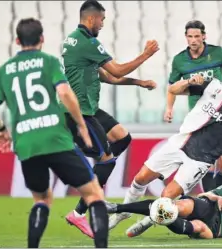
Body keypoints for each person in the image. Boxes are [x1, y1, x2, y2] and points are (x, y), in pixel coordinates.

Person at [0, 18, 109, 248]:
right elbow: (65, 93)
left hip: (26, 144)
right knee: (93, 195)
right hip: (56, 138)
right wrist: (81, 125)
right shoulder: (49, 62)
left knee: (41, 200)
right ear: (42, 39)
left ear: (17, 41)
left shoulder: (4, 70)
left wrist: (2, 130)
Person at [109, 53, 222, 234]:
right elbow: (173, 90)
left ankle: (148, 221)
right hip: (180, 142)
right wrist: (189, 81)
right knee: (141, 178)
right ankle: (123, 212)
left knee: (167, 197)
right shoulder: (211, 85)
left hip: (200, 159)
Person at [61, 0, 160, 238]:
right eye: (102, 20)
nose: (103, 24)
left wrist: (140, 82)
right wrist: (146, 54)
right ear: (92, 18)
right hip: (79, 113)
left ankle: (95, 165)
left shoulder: (76, 41)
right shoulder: (88, 42)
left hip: (90, 109)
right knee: (107, 162)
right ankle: (80, 212)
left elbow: (108, 77)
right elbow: (116, 70)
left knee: (122, 137)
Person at [164, 20, 222, 192]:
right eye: (190, 36)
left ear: (204, 36)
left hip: (221, 114)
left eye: (197, 36)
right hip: (199, 118)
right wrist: (169, 108)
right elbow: (172, 87)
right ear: (186, 38)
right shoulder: (179, 60)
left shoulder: (218, 53)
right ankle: (215, 203)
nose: (193, 40)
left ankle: (217, 196)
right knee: (208, 165)